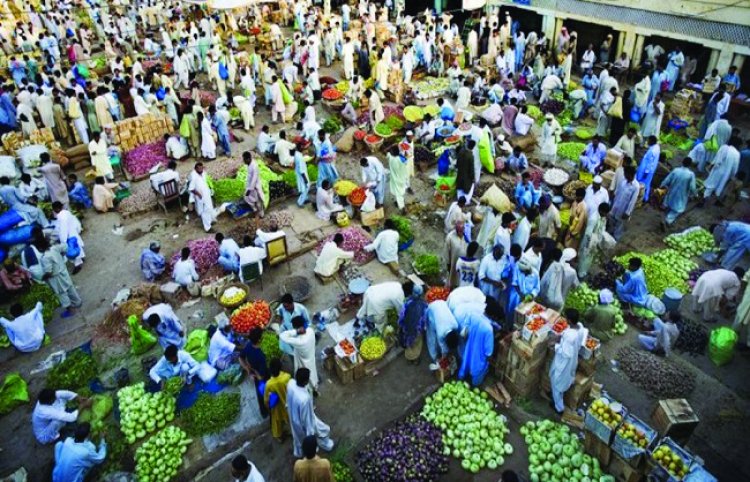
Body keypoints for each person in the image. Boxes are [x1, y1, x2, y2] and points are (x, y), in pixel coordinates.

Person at [286, 367, 334, 458]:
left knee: (297, 438)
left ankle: (300, 452)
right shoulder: (304, 399)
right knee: (324, 430)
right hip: (303, 421)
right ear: (306, 382)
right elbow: (307, 419)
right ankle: (324, 445)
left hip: (292, 416)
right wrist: (310, 432)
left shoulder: (290, 383)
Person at [549, 310, 586, 414]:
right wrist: (561, 337)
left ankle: (558, 407)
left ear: (569, 320)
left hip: (564, 363)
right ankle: (557, 398)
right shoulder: (580, 328)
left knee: (557, 384)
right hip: (573, 360)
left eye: (565, 318)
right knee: (562, 380)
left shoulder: (570, 336)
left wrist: (555, 346)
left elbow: (565, 353)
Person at [458, 300, 502, 386]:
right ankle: (474, 384)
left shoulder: (474, 314)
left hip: (469, 348)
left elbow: (467, 326)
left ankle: (462, 376)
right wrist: (491, 361)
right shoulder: (488, 330)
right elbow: (488, 353)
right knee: (478, 372)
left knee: (466, 361)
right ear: (493, 316)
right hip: (478, 357)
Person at [37, 237, 82, 318]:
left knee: (62, 293)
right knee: (70, 287)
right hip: (63, 271)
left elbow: (49, 272)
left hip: (56, 278)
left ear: (40, 248)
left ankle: (71, 310)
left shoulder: (45, 258)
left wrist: (43, 278)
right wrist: (61, 255)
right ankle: (77, 302)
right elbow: (65, 247)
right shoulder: (54, 248)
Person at [280, 316, 319, 391]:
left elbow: (282, 336)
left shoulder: (300, 341)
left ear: (297, 328)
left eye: (294, 328)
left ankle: (310, 390)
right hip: (311, 357)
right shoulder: (310, 331)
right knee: (313, 374)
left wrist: (296, 332)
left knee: (306, 379)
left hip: (303, 363)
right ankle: (315, 387)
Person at [701, 137, 740, 207]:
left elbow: (718, 160)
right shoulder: (737, 154)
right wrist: (731, 175)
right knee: (719, 186)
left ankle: (703, 200)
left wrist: (711, 166)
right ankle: (712, 199)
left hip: (718, 170)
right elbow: (735, 168)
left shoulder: (725, 147)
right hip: (726, 174)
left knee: (710, 186)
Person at [239, 328, 270, 417]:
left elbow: (241, 358)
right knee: (265, 391)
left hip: (256, 375)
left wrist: (248, 370)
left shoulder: (248, 345)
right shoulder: (261, 356)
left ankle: (263, 411)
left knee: (260, 394)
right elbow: (261, 377)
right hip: (261, 376)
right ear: (259, 339)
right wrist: (254, 372)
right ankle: (267, 410)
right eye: (262, 336)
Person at [577, 202, 611, 278]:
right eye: (606, 213)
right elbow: (588, 233)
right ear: (601, 211)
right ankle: (580, 273)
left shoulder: (603, 217)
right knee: (584, 257)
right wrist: (590, 243)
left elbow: (603, 227)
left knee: (590, 258)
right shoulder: (593, 218)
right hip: (589, 242)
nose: (607, 215)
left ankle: (584, 271)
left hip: (595, 241)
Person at [660, 157, 696, 227]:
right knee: (678, 210)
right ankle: (668, 220)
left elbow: (667, 180)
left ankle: (665, 217)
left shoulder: (676, 170)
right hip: (681, 195)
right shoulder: (691, 174)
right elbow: (692, 187)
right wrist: (695, 194)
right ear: (690, 165)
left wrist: (662, 185)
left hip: (671, 192)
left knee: (669, 205)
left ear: (682, 162)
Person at [397, 283, 428, 364]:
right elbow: (424, 320)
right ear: (421, 294)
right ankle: (415, 359)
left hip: (406, 329)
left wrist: (401, 325)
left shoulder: (407, 302)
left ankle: (408, 357)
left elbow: (401, 316)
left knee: (408, 343)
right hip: (416, 331)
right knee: (416, 344)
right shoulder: (424, 305)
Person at [264, 358, 292, 442]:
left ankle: (278, 436)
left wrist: (267, 406)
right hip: (287, 403)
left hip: (277, 407)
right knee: (289, 419)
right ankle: (289, 431)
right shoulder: (287, 377)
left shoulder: (269, 384)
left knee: (277, 422)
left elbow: (266, 399)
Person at [609, 165, 640, 239]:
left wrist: (627, 212)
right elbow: (617, 192)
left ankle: (615, 238)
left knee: (619, 225)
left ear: (630, 174)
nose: (624, 175)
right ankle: (609, 234)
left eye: (626, 174)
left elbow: (632, 201)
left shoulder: (636, 186)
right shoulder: (623, 180)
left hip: (623, 209)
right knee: (612, 221)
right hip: (616, 205)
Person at [188, 162, 216, 232]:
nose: (201, 170)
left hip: (207, 194)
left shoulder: (203, 172)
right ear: (195, 169)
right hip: (201, 197)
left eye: (202, 168)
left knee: (209, 208)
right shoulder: (194, 177)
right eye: (199, 168)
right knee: (205, 211)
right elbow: (191, 189)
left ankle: (210, 220)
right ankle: (208, 228)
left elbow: (206, 180)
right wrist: (199, 194)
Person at [445, 220, 469, 288]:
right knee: (452, 280)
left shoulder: (466, 235)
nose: (461, 233)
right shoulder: (450, 237)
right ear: (456, 229)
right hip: (453, 264)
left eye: (462, 230)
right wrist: (448, 265)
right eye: (459, 231)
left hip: (464, 264)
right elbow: (447, 253)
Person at [636, 136, 661, 202]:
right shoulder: (656, 147)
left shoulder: (653, 151)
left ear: (652, 141)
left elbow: (650, 163)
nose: (647, 142)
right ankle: (645, 197)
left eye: (648, 141)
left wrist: (646, 172)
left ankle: (643, 198)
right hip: (650, 170)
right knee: (647, 183)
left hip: (646, 171)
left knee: (644, 184)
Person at [244, 152, 265, 218]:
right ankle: (255, 210)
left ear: (249, 159)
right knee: (247, 198)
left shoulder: (254, 166)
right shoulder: (249, 165)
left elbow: (254, 179)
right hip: (250, 186)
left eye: (244, 159)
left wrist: (250, 189)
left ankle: (261, 215)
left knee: (258, 202)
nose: (244, 161)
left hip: (255, 187)